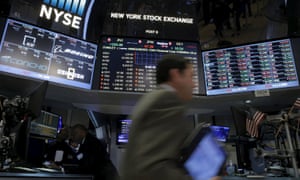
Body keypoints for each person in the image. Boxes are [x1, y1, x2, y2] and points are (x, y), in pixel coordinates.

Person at [120, 54, 222, 180]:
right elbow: (154, 169)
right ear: (175, 75)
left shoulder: (153, 98)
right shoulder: (167, 101)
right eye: (191, 76)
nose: (194, 85)